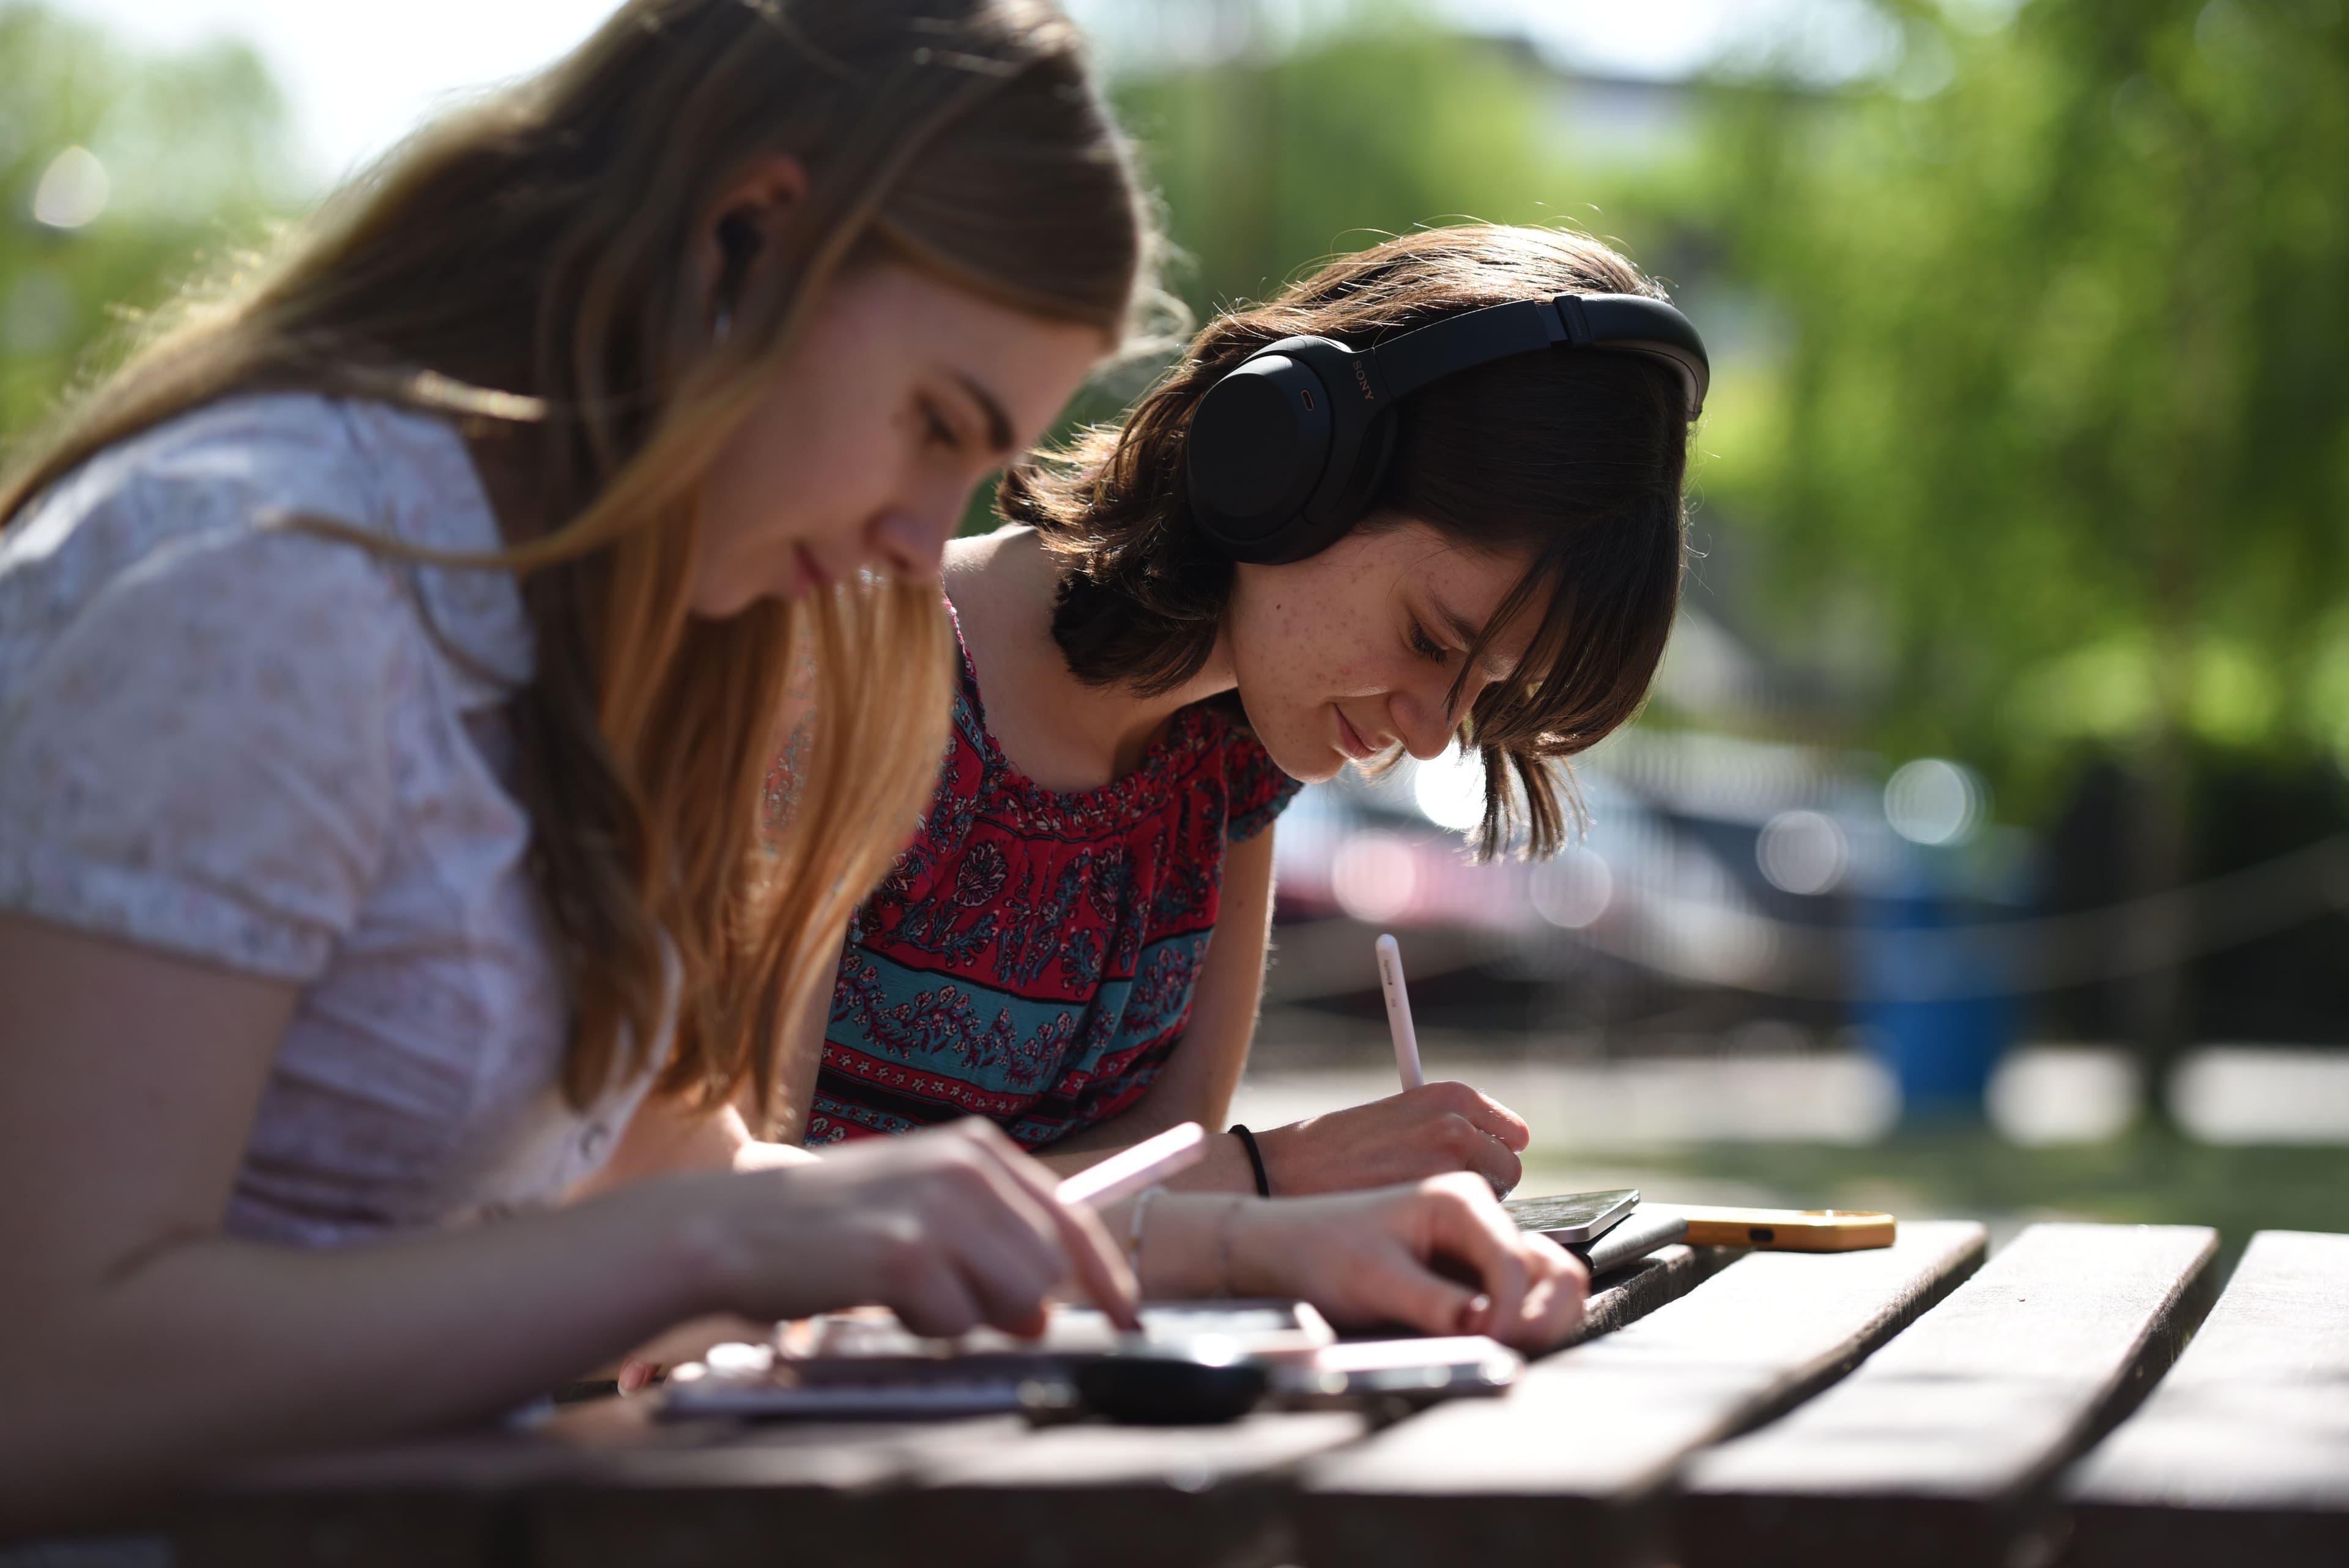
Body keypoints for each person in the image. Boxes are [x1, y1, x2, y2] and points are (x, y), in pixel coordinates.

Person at [0, 0, 1583, 1529]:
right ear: (741, 243)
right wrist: (720, 1237)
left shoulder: (604, 629)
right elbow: (50, 1380)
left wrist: (1250, 1251)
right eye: (930, 421)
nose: (918, 541)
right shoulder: (254, 583)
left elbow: (674, 1181)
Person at [785, 225, 1695, 1198]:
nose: (1432, 735)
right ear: (1292, 459)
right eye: (1431, 641)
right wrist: (1275, 1178)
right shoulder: (845, 678)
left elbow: (1162, 1169)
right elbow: (735, 1202)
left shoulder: (1233, 765)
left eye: (1485, 692)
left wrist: (1293, 1212)